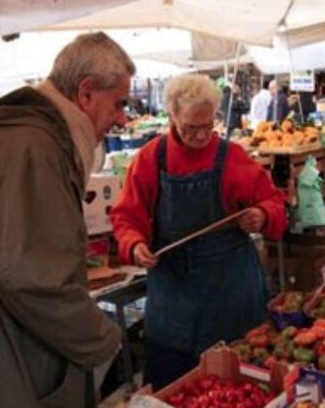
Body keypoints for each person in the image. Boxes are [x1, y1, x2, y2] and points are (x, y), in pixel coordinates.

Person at [0, 32, 132, 408]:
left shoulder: (34, 140)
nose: (121, 119)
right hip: (6, 363)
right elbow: (31, 276)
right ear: (86, 92)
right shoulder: (29, 147)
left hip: (8, 353)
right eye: (118, 104)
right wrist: (103, 340)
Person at [111, 74, 288, 390]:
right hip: (173, 302)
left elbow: (275, 202)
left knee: (240, 388)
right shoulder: (152, 159)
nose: (202, 135)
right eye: (192, 127)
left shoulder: (231, 156)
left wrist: (262, 215)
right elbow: (126, 218)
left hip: (231, 295)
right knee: (175, 390)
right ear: (172, 117)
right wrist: (135, 245)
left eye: (209, 125)